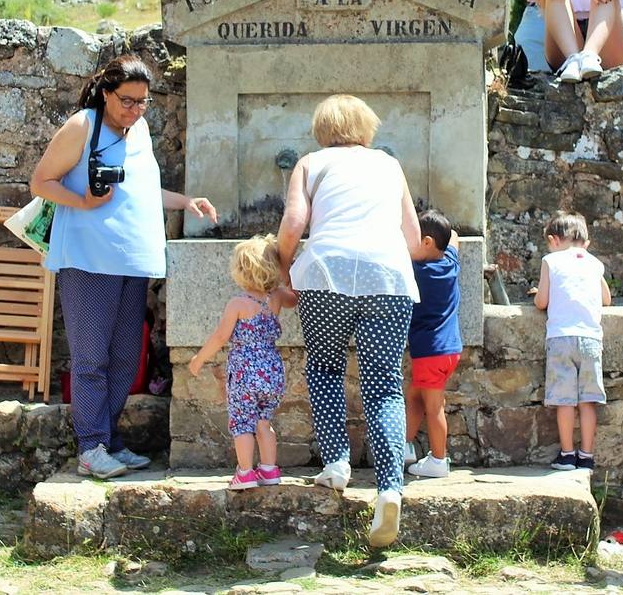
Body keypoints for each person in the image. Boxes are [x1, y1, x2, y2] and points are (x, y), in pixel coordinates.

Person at [31, 55, 218, 480]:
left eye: (143, 102)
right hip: (88, 259)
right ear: (106, 93)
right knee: (91, 357)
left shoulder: (140, 130)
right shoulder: (83, 125)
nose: (135, 110)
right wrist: (83, 202)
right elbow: (41, 181)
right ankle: (91, 446)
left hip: (132, 259)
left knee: (124, 358)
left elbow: (143, 189)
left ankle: (109, 441)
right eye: (127, 101)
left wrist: (186, 201)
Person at [276, 94, 422, 549]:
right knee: (383, 385)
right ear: (366, 126)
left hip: (324, 275)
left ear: (323, 129)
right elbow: (414, 240)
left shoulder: (310, 163)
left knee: (323, 368)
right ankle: (390, 488)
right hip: (388, 278)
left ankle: (337, 464)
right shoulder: (388, 165)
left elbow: (295, 221)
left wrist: (283, 270)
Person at [187, 235, 291, 490]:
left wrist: (199, 359)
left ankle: (245, 473)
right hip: (273, 370)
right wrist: (288, 271)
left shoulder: (238, 304)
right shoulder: (276, 297)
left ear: (243, 271)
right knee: (263, 422)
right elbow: (296, 298)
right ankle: (269, 470)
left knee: (242, 421)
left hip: (245, 372)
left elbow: (221, 336)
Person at [533, 211, 610, 473]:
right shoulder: (594, 263)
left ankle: (567, 455)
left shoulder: (550, 261)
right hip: (590, 338)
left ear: (554, 240)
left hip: (561, 338)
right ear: (585, 242)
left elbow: (542, 301)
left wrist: (538, 295)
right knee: (588, 400)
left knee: (565, 401)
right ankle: (586, 456)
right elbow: (606, 299)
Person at [403, 209, 462, 480]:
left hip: (430, 351)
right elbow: (455, 238)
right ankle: (404, 446)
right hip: (448, 350)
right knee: (415, 396)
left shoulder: (417, 271)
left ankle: (439, 460)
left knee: (434, 405)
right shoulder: (449, 263)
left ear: (426, 242)